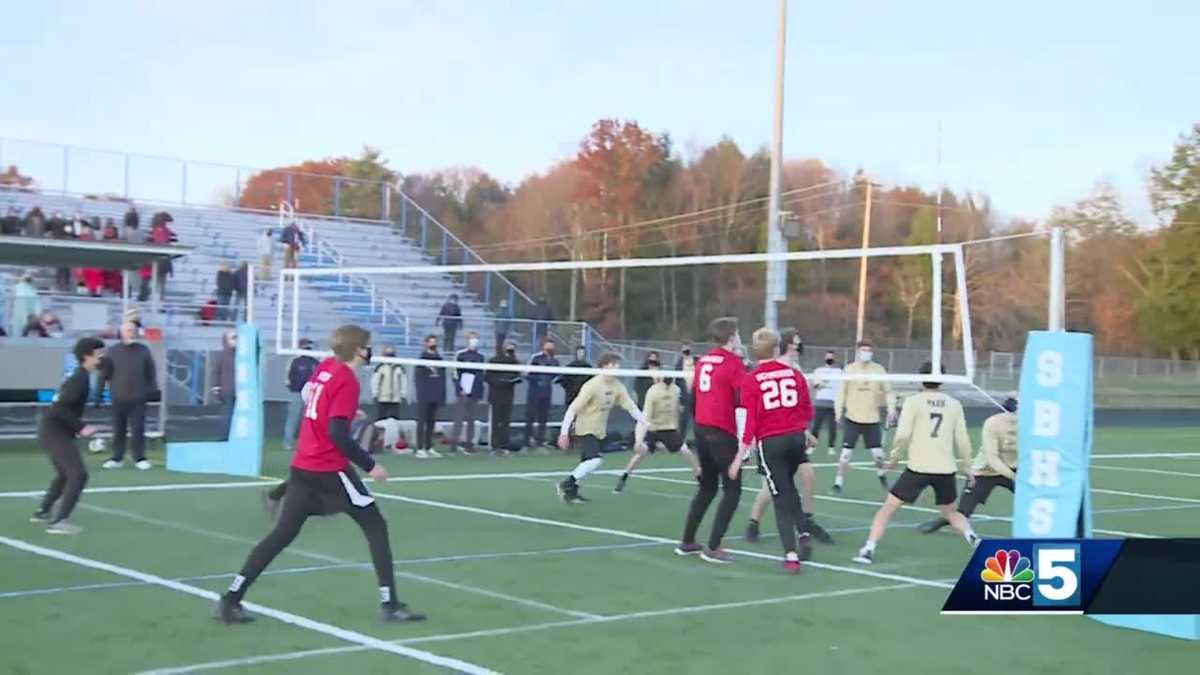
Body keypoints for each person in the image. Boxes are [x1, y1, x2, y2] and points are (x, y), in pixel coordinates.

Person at [216, 324, 425, 625]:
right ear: (357, 350)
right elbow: (338, 434)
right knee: (375, 526)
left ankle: (231, 598)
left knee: (281, 535)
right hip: (329, 469)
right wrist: (371, 465)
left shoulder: (325, 367)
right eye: (367, 346)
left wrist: (344, 412)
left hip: (303, 466)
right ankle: (390, 604)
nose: (370, 351)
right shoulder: (346, 380)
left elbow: (312, 400)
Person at [852, 362, 980, 565]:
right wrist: (967, 468)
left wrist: (893, 458)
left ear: (921, 379)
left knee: (887, 508)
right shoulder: (954, 404)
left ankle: (868, 549)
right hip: (945, 469)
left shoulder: (914, 402)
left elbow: (902, 435)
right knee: (950, 512)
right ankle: (972, 536)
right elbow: (963, 441)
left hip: (918, 468)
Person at [726, 328, 818, 572]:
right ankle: (804, 532)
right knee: (789, 489)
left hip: (772, 442)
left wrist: (739, 457)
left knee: (779, 496)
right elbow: (807, 408)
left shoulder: (752, 380)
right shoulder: (793, 374)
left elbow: (750, 423)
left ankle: (790, 554)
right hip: (795, 437)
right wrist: (803, 430)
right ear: (777, 349)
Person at [743, 328, 834, 546]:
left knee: (808, 476)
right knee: (770, 488)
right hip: (775, 434)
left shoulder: (794, 367)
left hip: (792, 431)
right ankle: (754, 522)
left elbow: (799, 400)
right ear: (783, 345)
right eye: (794, 343)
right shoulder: (778, 366)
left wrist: (805, 429)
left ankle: (806, 521)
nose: (797, 347)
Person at [676, 317, 746, 564]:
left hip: (702, 428)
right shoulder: (733, 363)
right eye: (737, 334)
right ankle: (713, 547)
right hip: (720, 431)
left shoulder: (704, 361)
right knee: (733, 489)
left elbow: (694, 395)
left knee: (707, 486)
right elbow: (743, 396)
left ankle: (687, 541)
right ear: (731, 337)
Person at [31, 337, 104, 534]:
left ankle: (43, 511)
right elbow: (59, 409)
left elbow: (62, 408)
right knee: (79, 474)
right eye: (99, 355)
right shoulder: (80, 378)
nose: (102, 359)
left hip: (53, 430)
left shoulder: (80, 375)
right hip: (54, 430)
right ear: (87, 356)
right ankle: (59, 521)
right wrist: (81, 427)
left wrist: (75, 429)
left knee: (65, 474)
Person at [556, 353, 648, 503]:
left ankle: (572, 493)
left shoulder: (618, 387)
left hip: (599, 430)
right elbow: (573, 409)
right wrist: (563, 433)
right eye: (612, 365)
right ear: (604, 366)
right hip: (585, 428)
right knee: (595, 460)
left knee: (586, 463)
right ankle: (567, 483)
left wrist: (644, 421)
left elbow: (631, 407)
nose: (616, 369)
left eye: (617, 366)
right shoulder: (592, 385)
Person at [920, 395, 1019, 534]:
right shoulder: (993, 423)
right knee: (964, 512)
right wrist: (1015, 477)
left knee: (1038, 498)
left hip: (1015, 468)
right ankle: (943, 521)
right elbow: (993, 459)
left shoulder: (1031, 424)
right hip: (986, 471)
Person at [614, 361, 700, 493]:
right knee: (640, 453)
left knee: (687, 452)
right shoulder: (652, 392)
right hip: (653, 429)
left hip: (669, 428)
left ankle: (700, 478)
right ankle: (624, 477)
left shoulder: (676, 390)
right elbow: (645, 417)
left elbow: (679, 405)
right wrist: (639, 440)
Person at [832, 338, 897, 494]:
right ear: (858, 351)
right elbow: (842, 392)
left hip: (872, 420)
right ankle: (838, 482)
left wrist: (892, 409)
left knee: (878, 454)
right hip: (852, 418)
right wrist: (838, 412)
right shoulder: (849, 369)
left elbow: (888, 391)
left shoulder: (879, 370)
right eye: (863, 350)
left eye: (869, 350)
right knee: (846, 453)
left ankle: (882, 476)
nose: (866, 353)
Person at [98, 321, 157, 470]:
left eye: (133, 330)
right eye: (128, 330)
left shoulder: (144, 350)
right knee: (118, 429)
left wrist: (151, 391)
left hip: (139, 397)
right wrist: (98, 394)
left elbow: (151, 372)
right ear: (122, 332)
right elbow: (104, 374)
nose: (131, 332)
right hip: (118, 397)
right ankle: (117, 458)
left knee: (138, 429)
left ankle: (139, 458)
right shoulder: (112, 351)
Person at [450, 333, 485, 454]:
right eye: (472, 339)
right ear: (467, 341)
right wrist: (459, 388)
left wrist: (479, 392)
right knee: (459, 418)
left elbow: (481, 375)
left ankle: (469, 444)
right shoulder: (460, 354)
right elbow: (454, 373)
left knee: (472, 419)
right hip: (462, 391)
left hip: (474, 392)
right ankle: (454, 444)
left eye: (476, 339)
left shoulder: (481, 356)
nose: (474, 341)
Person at [486, 340, 521, 455]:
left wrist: (513, 381)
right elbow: (488, 377)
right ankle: (495, 446)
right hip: (496, 395)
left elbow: (517, 377)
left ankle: (504, 445)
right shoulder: (494, 360)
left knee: (506, 422)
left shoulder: (515, 362)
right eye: (509, 347)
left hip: (508, 396)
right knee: (496, 421)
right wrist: (500, 382)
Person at [282, 338, 318, 451]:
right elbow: (288, 378)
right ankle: (290, 442)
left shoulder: (314, 362)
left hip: (309, 393)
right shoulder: (295, 361)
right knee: (295, 419)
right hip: (299, 393)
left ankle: (302, 442)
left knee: (306, 420)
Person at [413, 334, 446, 459]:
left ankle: (429, 446)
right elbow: (418, 379)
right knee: (422, 422)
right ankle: (420, 448)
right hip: (424, 395)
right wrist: (421, 394)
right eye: (431, 342)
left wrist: (441, 396)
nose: (433, 344)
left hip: (435, 396)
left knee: (432, 422)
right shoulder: (421, 359)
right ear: (426, 343)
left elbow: (442, 379)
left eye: (435, 342)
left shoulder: (439, 359)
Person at [525, 339, 559, 449]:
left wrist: (552, 380)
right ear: (543, 347)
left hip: (547, 392)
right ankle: (527, 441)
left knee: (543, 418)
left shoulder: (555, 361)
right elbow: (527, 374)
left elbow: (556, 375)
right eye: (548, 347)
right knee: (530, 416)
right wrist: (538, 379)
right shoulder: (535, 358)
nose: (550, 349)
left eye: (551, 347)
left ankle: (540, 441)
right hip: (534, 392)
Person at [810, 350, 842, 457]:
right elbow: (815, 385)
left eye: (831, 357)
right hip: (820, 403)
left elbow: (842, 386)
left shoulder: (839, 372)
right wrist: (822, 384)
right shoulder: (819, 371)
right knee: (816, 426)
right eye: (828, 357)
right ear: (825, 358)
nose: (829, 359)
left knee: (832, 427)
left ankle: (831, 447)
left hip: (833, 403)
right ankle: (812, 446)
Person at [370, 346, 407, 422]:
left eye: (391, 353)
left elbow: (403, 382)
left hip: (395, 398)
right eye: (388, 353)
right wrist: (375, 394)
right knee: (381, 419)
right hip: (382, 398)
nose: (390, 355)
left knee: (395, 419)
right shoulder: (380, 367)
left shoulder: (399, 367)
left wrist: (403, 395)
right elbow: (375, 382)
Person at [212, 331, 238, 440]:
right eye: (233, 338)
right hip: (229, 390)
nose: (237, 340)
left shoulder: (238, 354)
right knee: (228, 414)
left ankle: (229, 437)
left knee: (232, 415)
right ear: (226, 341)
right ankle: (225, 437)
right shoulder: (224, 355)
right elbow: (216, 371)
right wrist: (216, 387)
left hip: (236, 390)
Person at [673, 342, 697, 443]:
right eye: (684, 350)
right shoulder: (678, 364)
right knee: (683, 421)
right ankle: (680, 442)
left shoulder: (697, 362)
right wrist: (680, 401)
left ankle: (699, 441)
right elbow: (677, 383)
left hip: (696, 396)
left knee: (699, 421)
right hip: (684, 397)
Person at [9, 272, 42, 342]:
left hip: (19, 314)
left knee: (17, 331)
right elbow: (37, 304)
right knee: (25, 331)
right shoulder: (33, 290)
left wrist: (11, 312)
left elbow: (12, 301)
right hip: (28, 315)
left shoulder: (17, 287)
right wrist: (37, 315)